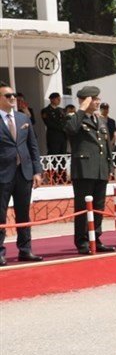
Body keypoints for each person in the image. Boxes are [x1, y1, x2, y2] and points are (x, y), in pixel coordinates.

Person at [64, 86, 115, 255]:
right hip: (84, 170)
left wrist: (110, 167)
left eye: (97, 98)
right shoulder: (74, 118)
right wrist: (81, 109)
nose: (98, 101)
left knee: (98, 206)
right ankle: (82, 241)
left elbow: (106, 146)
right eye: (94, 98)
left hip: (100, 169)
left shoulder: (99, 120)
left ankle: (96, 237)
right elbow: (70, 130)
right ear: (84, 100)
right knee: (83, 208)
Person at [0, 82, 44, 265]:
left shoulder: (23, 119)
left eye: (13, 95)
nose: (12, 98)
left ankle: (25, 250)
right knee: (0, 215)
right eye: (8, 96)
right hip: (2, 175)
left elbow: (33, 147)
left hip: (24, 174)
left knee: (23, 214)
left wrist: (37, 171)